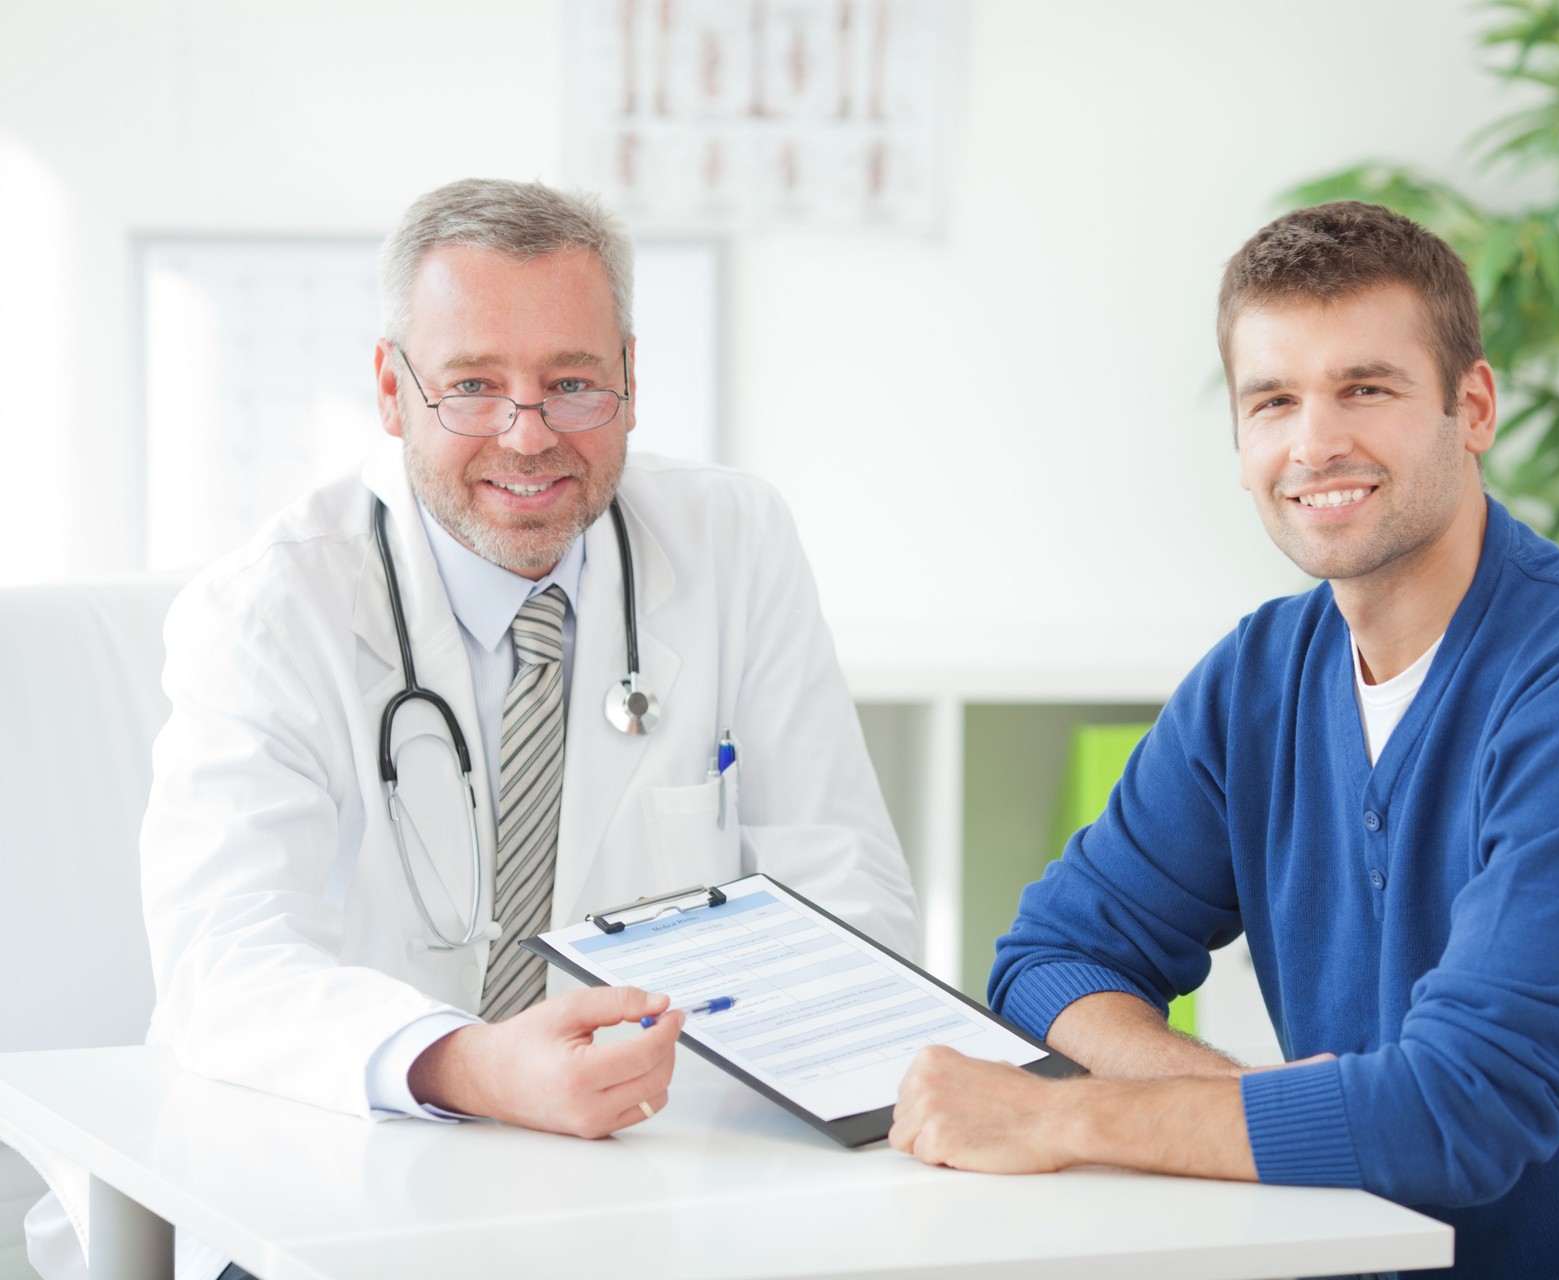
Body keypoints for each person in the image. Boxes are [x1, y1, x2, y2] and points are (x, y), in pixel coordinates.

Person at [887, 201, 1559, 1277]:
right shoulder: (1260, 679)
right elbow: (1054, 960)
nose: (1314, 442)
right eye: (1274, 400)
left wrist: (1061, 1118)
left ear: (1472, 406)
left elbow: (1455, 1116)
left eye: (1365, 389)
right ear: (1240, 444)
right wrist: (1263, 1107)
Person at [25, 177, 918, 1280]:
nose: (528, 435)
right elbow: (228, 963)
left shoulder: (736, 541)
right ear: (393, 390)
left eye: (572, 382)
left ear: (632, 380)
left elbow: (849, 897)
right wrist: (470, 1064)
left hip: (644, 1177)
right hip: (322, 1169)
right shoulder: (272, 606)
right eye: (473, 385)